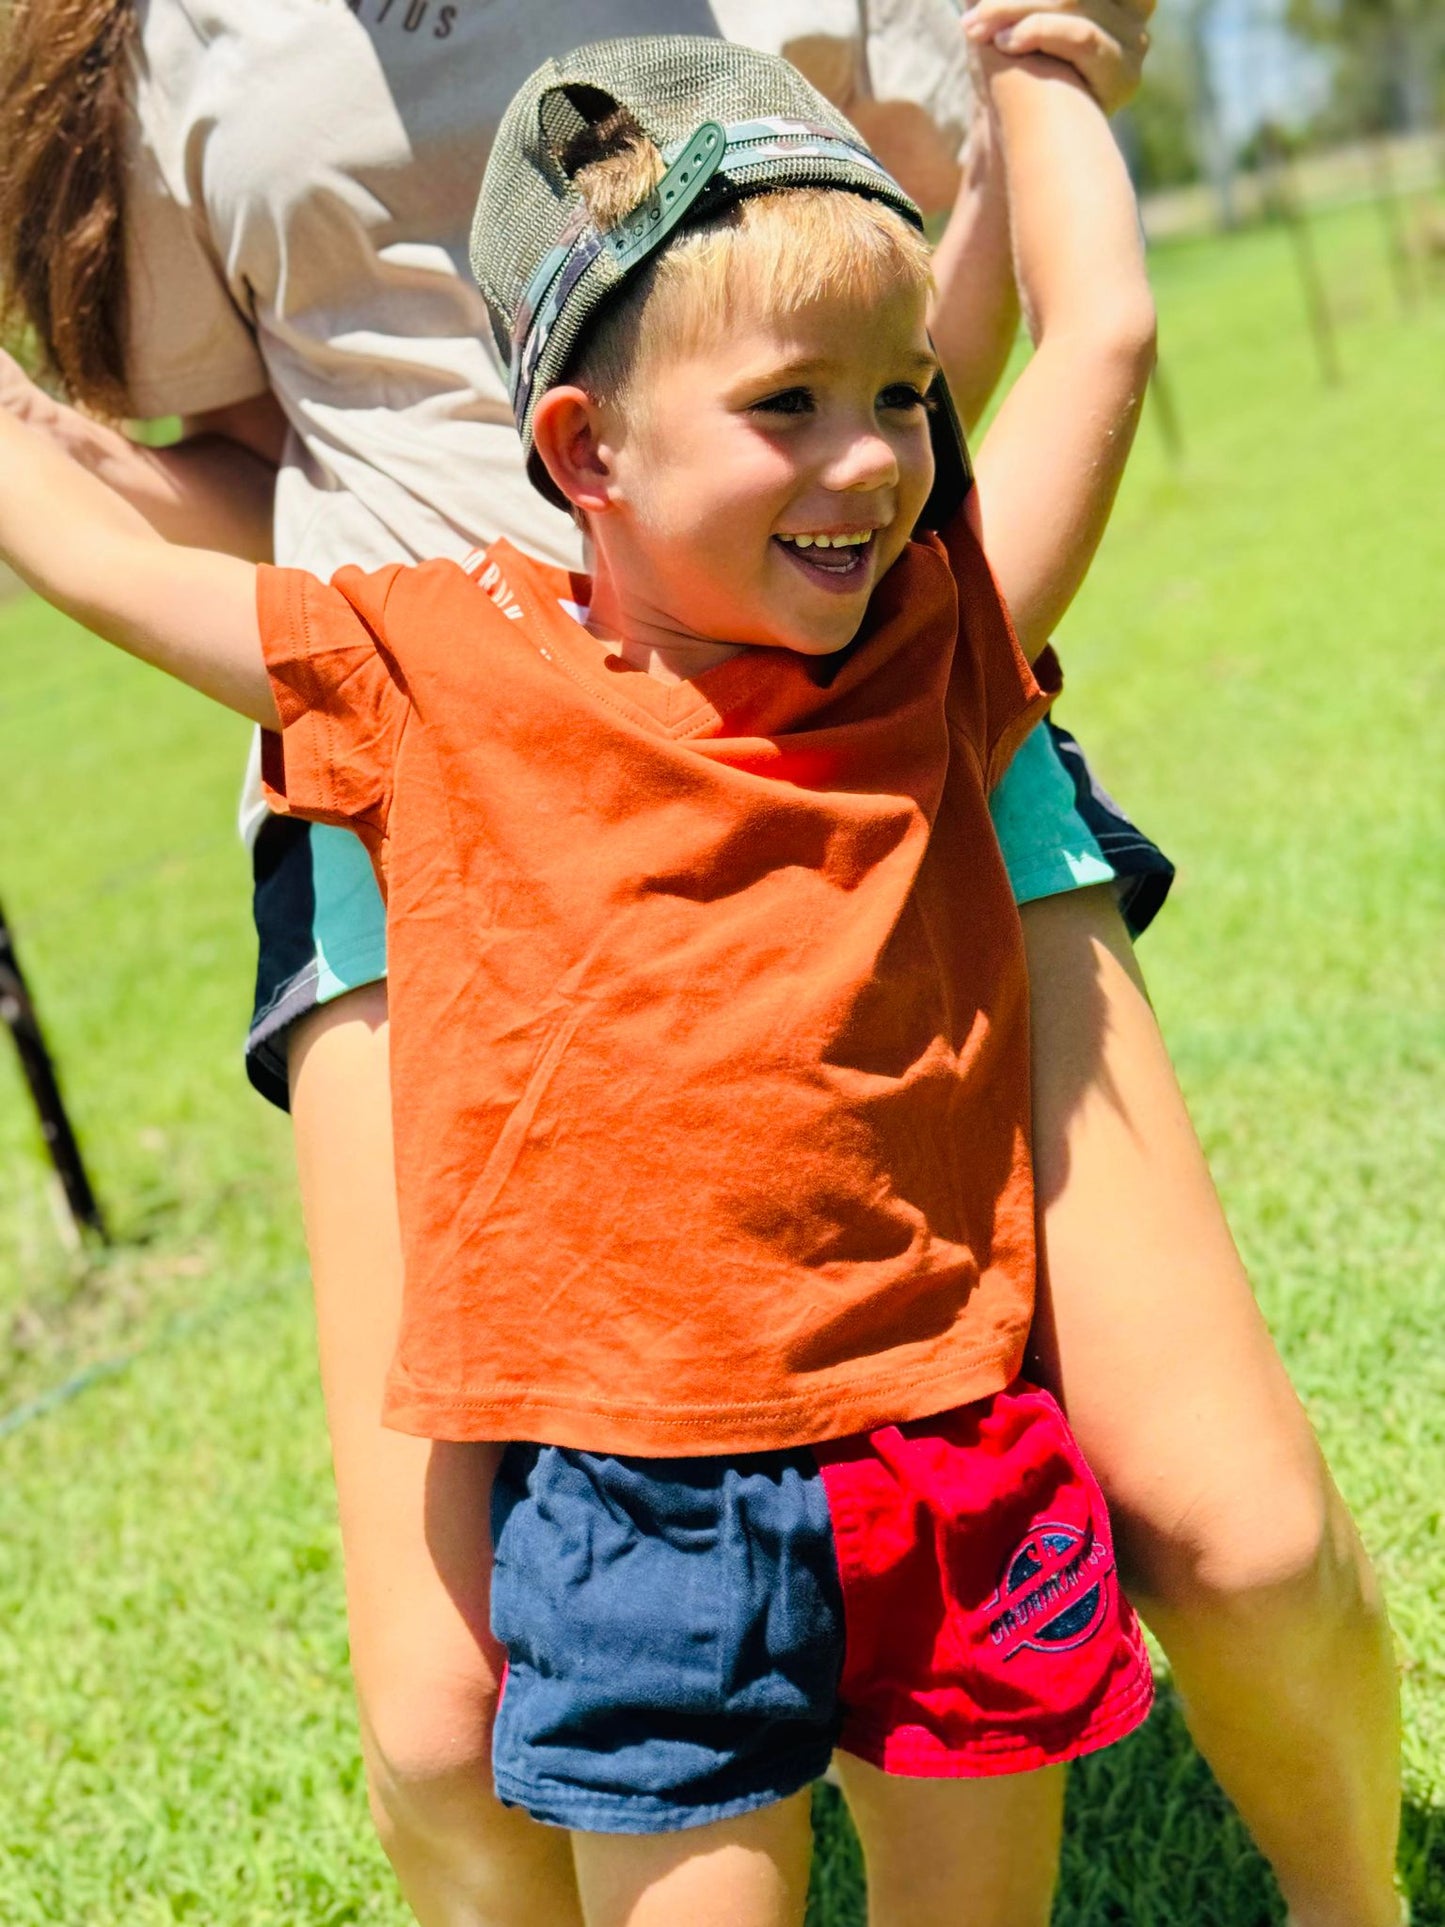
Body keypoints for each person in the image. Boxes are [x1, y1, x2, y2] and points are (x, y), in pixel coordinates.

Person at [0, 5, 1399, 1925]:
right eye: (798, 413)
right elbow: (156, 510)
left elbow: (1009, 316)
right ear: (573, 447)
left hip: (857, 782)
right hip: (467, 789)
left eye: (888, 404)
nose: (866, 448)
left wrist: (1045, 66)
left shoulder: (920, 637)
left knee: (1238, 1535)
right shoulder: (417, 654)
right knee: (443, 1723)